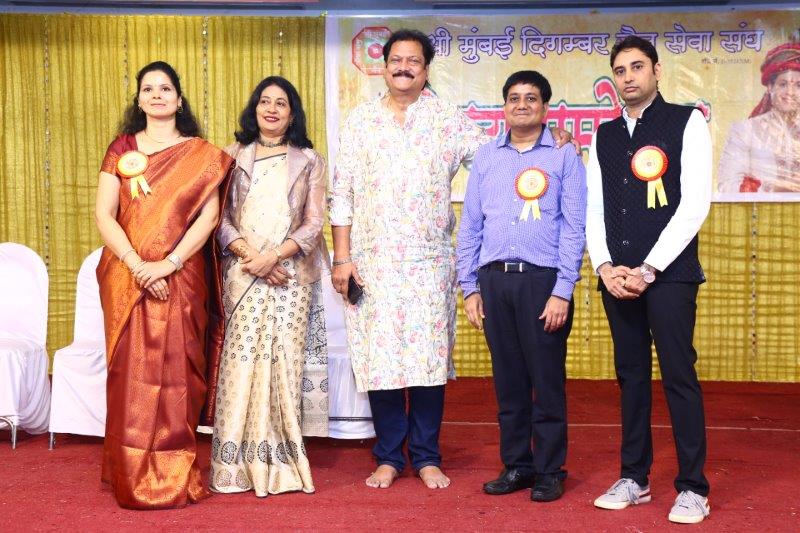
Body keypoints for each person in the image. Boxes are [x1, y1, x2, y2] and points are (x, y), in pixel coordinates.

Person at [329, 28, 575, 490]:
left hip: (430, 264)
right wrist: (342, 259)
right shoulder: (360, 121)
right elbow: (341, 193)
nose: (404, 68)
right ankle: (388, 456)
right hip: (373, 263)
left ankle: (426, 456)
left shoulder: (447, 119)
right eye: (396, 60)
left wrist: (551, 135)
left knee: (428, 362)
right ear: (384, 66)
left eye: (414, 61)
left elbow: (503, 156)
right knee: (381, 363)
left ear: (426, 70)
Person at [585, 36, 712, 524]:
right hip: (618, 278)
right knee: (631, 377)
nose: (629, 77)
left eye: (637, 67)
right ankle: (634, 478)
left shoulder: (687, 121)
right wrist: (603, 267)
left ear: (657, 71)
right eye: (620, 70)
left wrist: (650, 267)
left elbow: (694, 204)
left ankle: (693, 488)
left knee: (679, 375)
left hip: (670, 275)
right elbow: (595, 207)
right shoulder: (604, 135)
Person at [95, 61, 232, 509]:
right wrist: (139, 266)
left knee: (177, 374)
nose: (157, 95)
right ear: (139, 100)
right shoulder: (121, 149)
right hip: (128, 276)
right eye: (148, 89)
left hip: (181, 277)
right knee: (130, 376)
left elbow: (209, 219)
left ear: (179, 99)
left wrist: (168, 264)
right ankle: (129, 471)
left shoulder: (201, 155)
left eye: (165, 88)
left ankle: (174, 473)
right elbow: (104, 215)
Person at [456, 70, 586, 503]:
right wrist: (470, 287)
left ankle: (550, 470)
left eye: (532, 98)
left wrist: (563, 289)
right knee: (508, 381)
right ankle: (517, 465)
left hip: (542, 282)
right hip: (494, 280)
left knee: (546, 381)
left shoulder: (564, 155)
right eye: (514, 98)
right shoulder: (486, 157)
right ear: (504, 107)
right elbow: (471, 225)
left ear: (545, 107)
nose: (522, 105)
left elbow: (574, 226)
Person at [210, 76, 329, 497]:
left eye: (281, 103)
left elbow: (314, 223)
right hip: (243, 273)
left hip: (291, 276)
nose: (272, 109)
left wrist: (274, 257)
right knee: (241, 363)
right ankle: (233, 467)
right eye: (265, 101)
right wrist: (253, 259)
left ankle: (280, 462)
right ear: (254, 108)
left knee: (283, 365)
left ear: (292, 114)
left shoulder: (309, 160)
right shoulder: (231, 156)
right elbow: (219, 219)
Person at [717, 41, 800, 193]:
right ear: (770, 87)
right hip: (762, 208)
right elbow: (727, 185)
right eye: (783, 84)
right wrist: (772, 188)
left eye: (798, 85)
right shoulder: (745, 131)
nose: (790, 92)